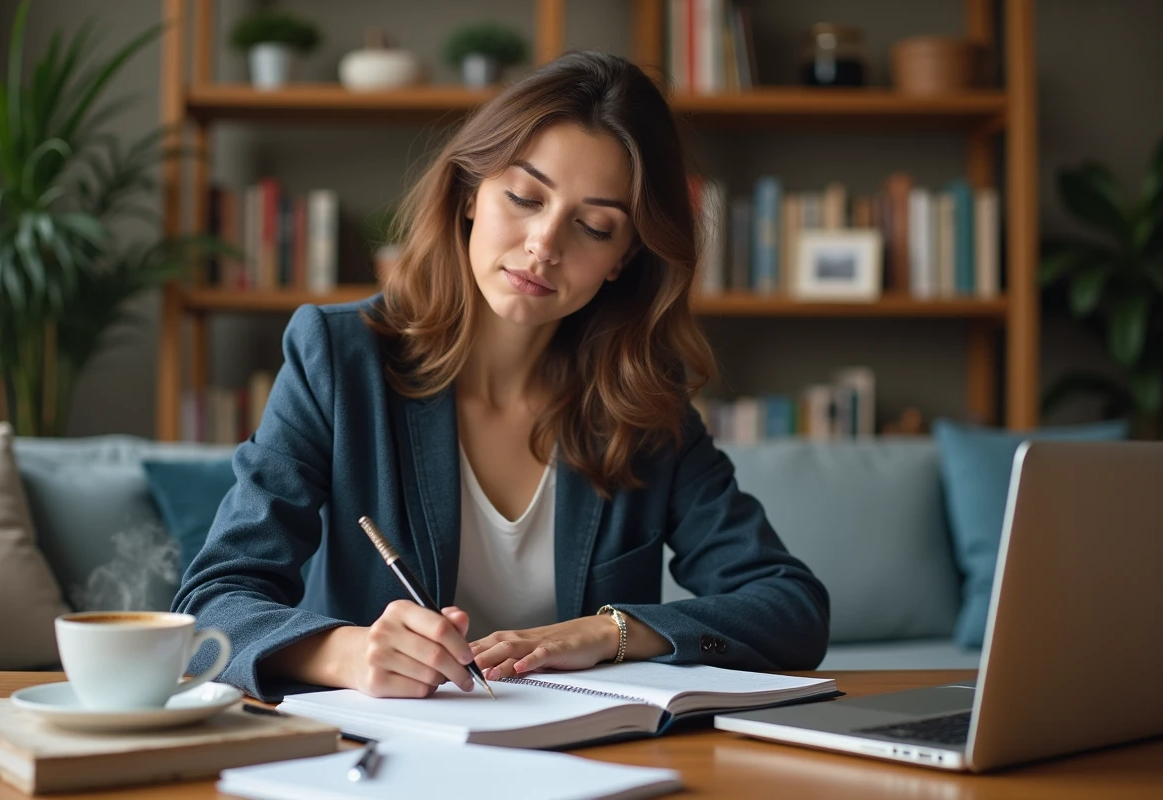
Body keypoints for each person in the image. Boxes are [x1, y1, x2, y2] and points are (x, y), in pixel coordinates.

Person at [173, 51, 830, 703]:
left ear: (623, 257)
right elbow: (211, 610)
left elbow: (792, 610)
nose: (544, 244)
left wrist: (611, 632)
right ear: (468, 193)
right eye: (523, 196)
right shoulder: (339, 360)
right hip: (379, 753)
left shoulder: (643, 406)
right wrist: (347, 653)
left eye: (593, 225)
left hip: (585, 759)